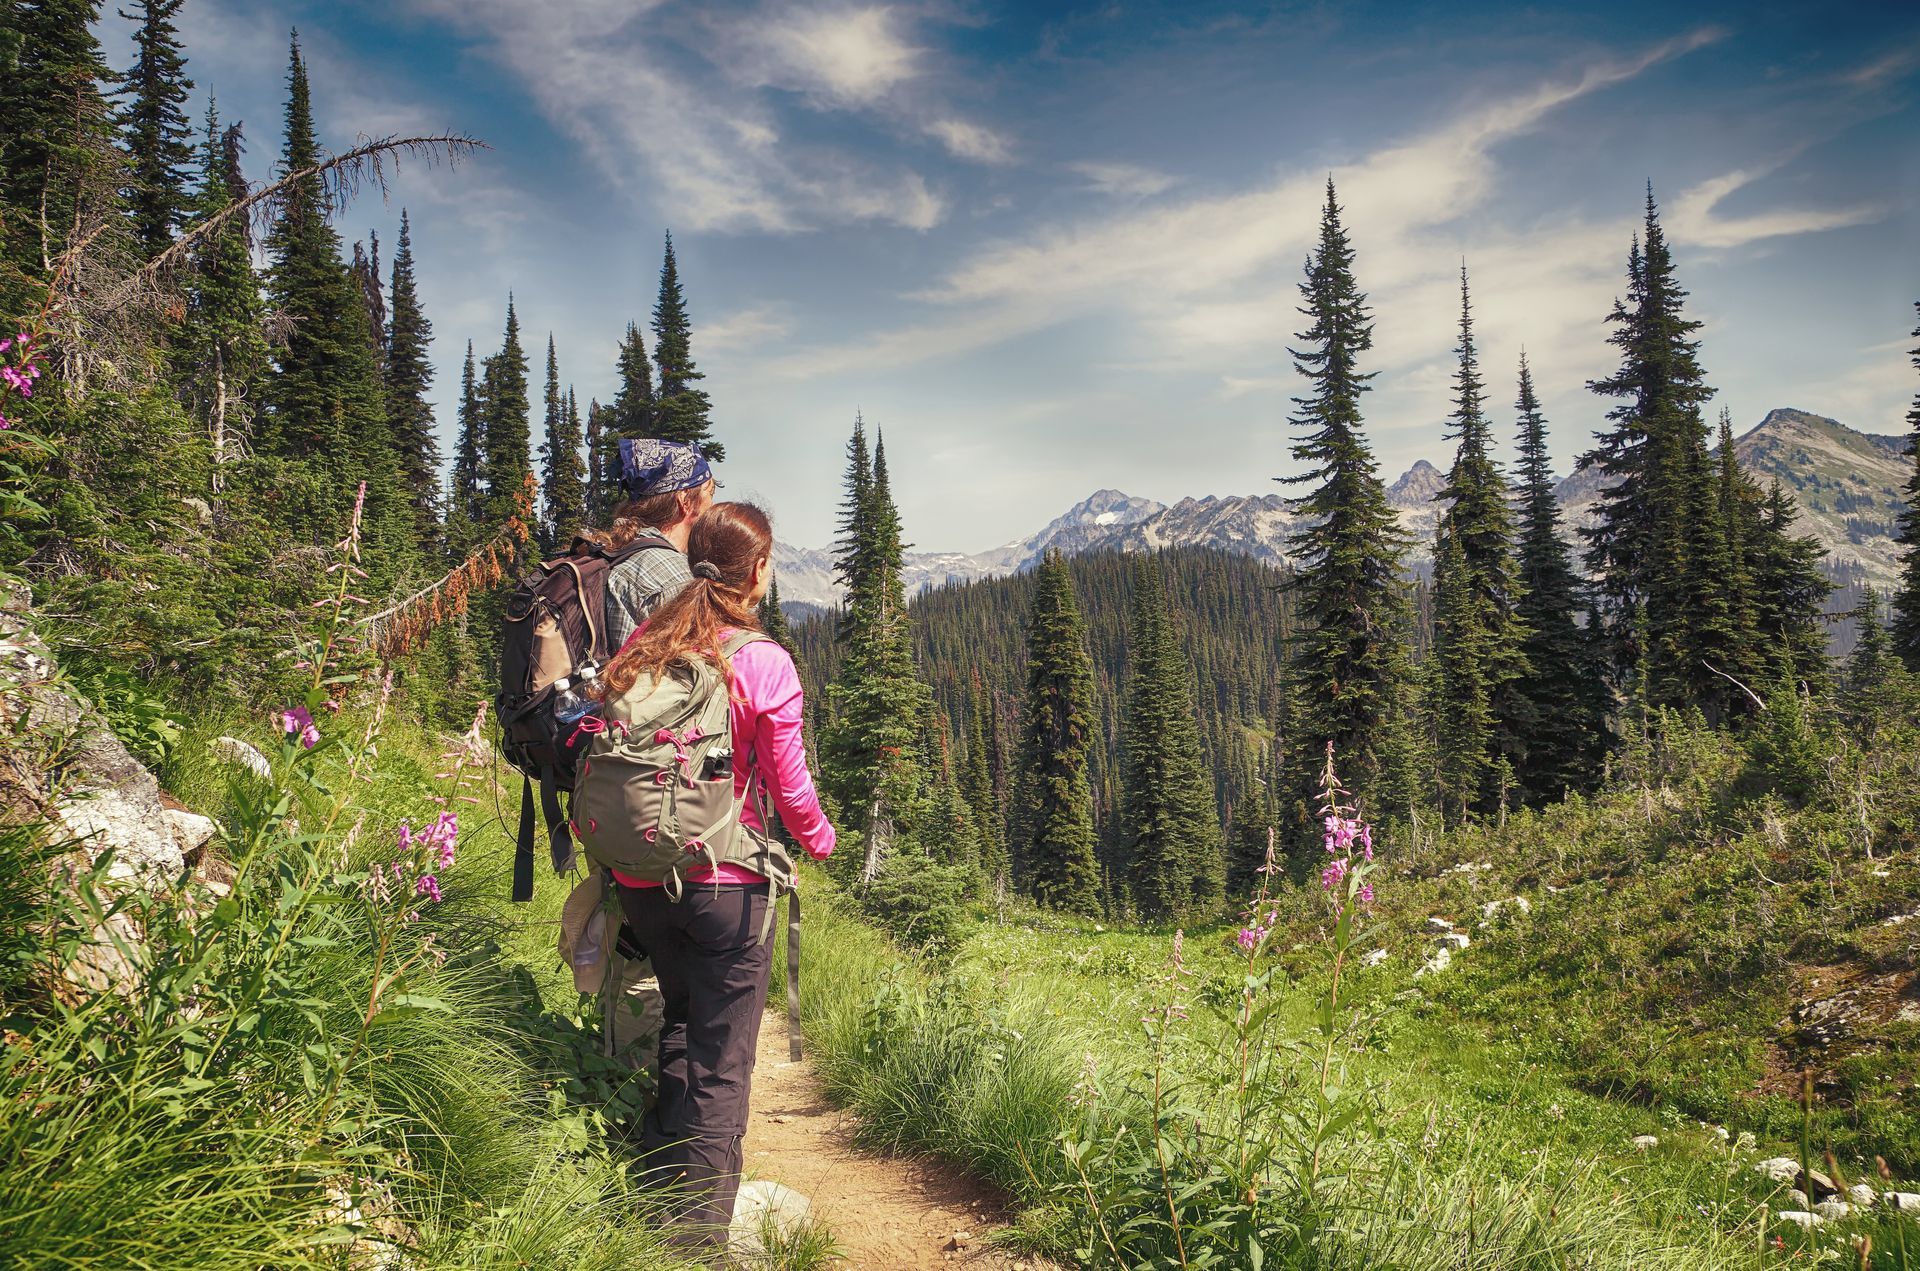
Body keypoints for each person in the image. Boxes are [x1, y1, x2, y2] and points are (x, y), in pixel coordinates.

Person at [595, 501, 835, 1247]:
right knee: (723, 1065)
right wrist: (821, 844)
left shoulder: (647, 643)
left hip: (644, 879)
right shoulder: (762, 659)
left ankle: (657, 1208)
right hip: (728, 887)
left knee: (680, 1024)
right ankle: (694, 1245)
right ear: (757, 570)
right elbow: (791, 791)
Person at [603, 437, 716, 648]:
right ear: (685, 501)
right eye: (710, 493)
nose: (713, 505)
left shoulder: (612, 550)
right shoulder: (676, 578)